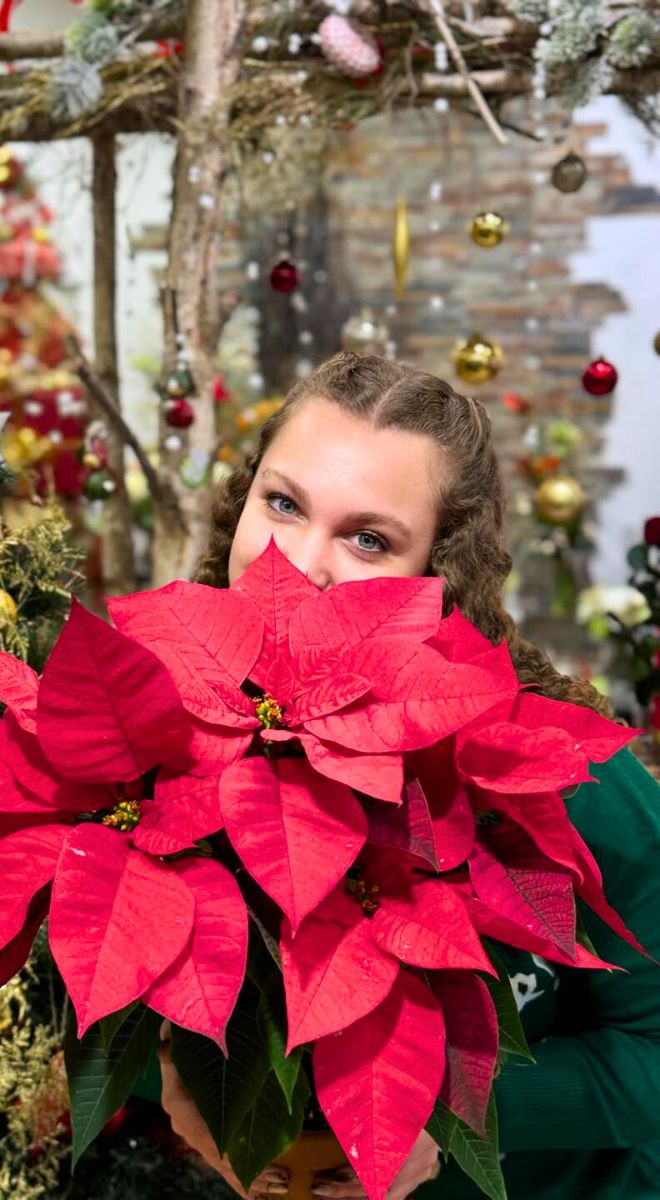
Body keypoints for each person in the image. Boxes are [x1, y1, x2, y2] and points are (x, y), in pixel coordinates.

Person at [158, 352, 660, 1199]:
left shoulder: (574, 782)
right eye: (281, 504)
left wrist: (453, 1110)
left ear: (436, 576)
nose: (301, 564)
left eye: (368, 539)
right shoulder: (156, 738)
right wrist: (180, 1084)